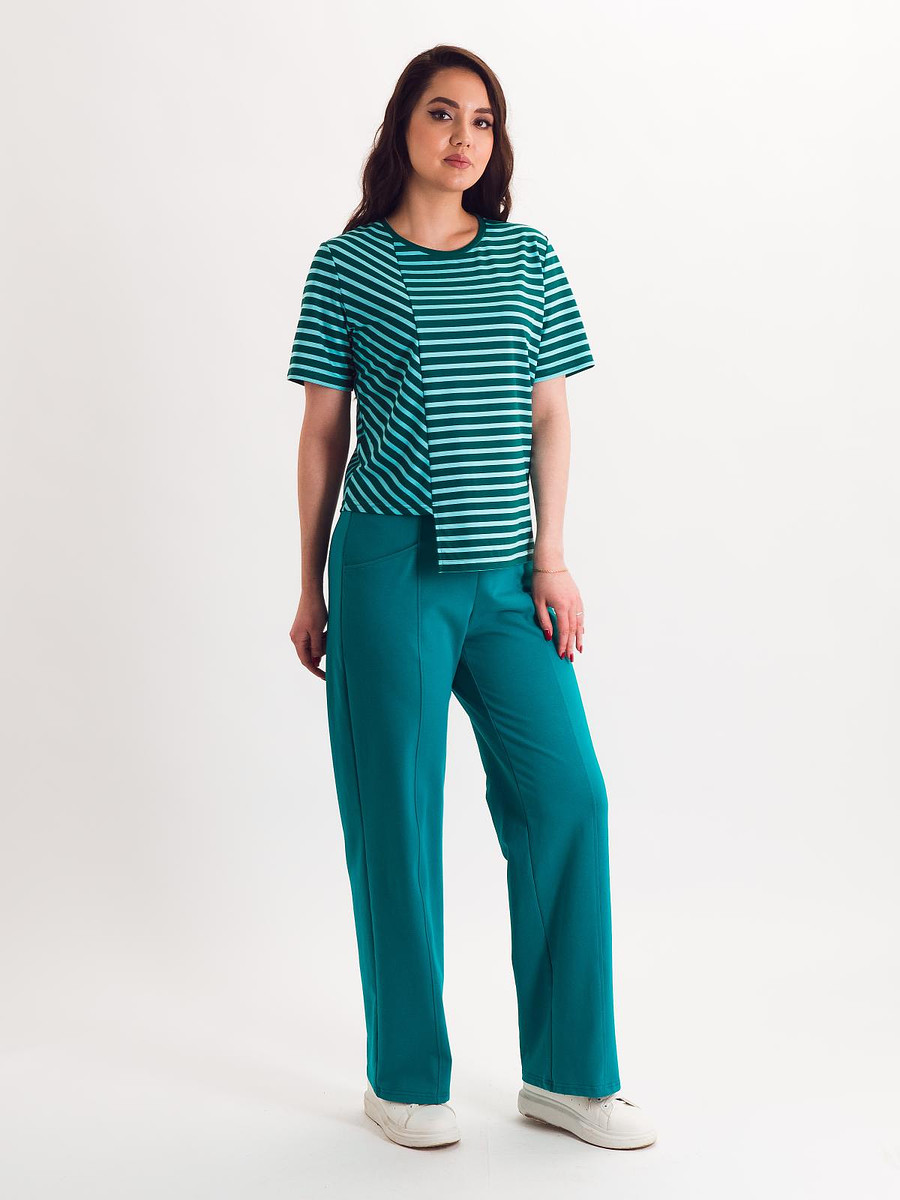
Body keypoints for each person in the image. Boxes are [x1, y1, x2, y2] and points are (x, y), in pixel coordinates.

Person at [287, 44, 657, 1152]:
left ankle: (570, 1077)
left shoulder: (528, 257)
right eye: (443, 113)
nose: (464, 136)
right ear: (402, 126)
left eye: (483, 120)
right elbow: (322, 434)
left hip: (508, 576)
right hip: (387, 565)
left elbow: (548, 412)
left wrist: (553, 557)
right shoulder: (346, 264)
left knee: (569, 797)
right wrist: (307, 586)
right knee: (395, 822)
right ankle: (404, 1079)